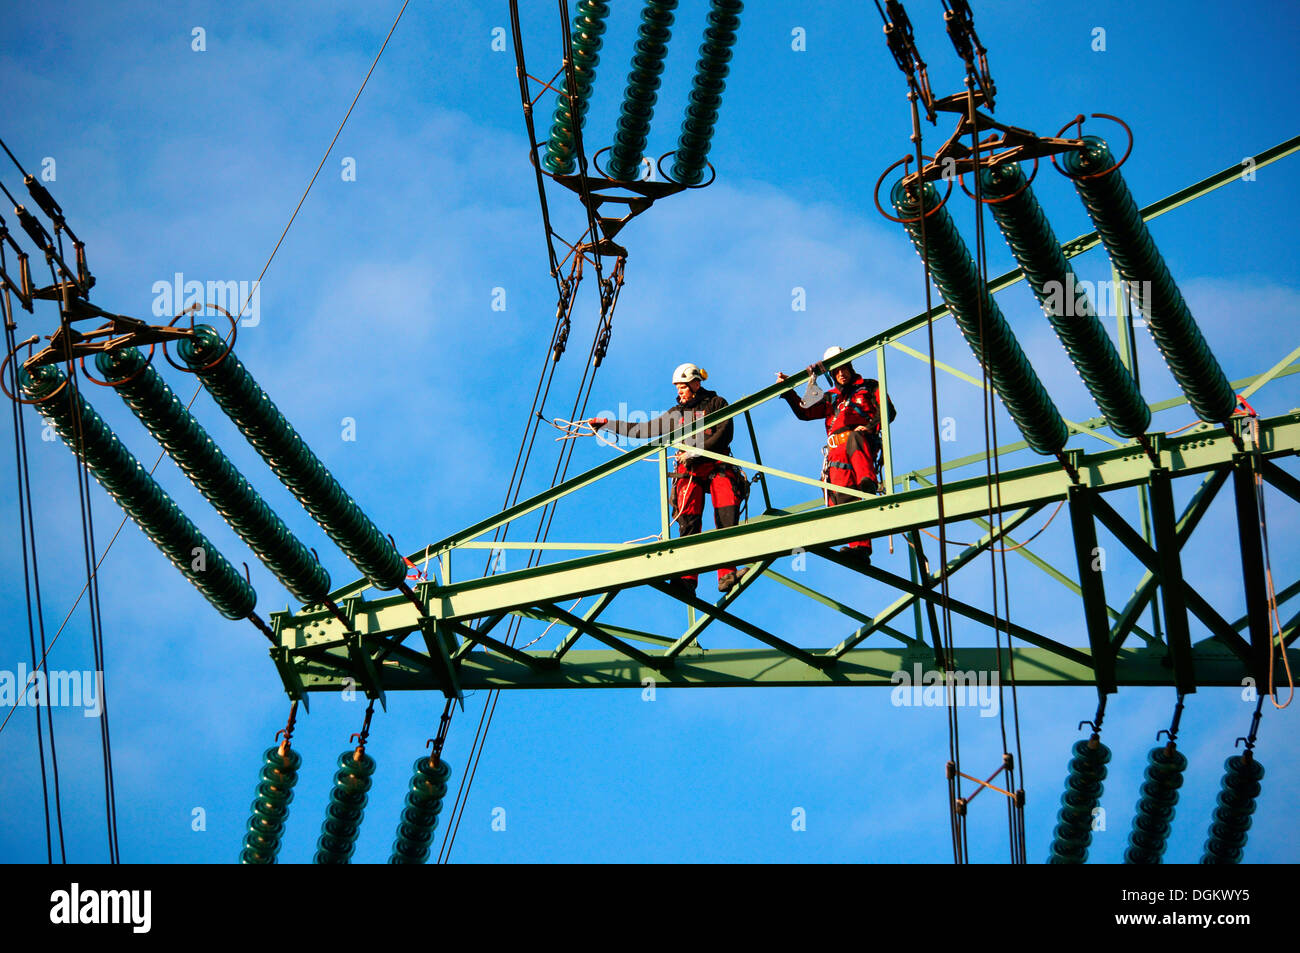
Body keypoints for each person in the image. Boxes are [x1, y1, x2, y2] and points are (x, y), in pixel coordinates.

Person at [587, 363, 747, 593]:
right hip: (689, 472)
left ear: (695, 383)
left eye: (682, 386)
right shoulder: (676, 414)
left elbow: (725, 432)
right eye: (677, 387)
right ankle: (686, 580)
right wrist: (608, 424)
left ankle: (727, 574)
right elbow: (642, 429)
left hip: (716, 464)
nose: (679, 391)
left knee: (726, 510)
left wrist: (697, 451)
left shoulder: (716, 403)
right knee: (688, 520)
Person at [776, 346, 896, 561]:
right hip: (837, 451)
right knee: (844, 496)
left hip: (861, 440)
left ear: (850, 366)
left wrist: (870, 426)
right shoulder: (831, 397)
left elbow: (888, 410)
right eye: (836, 370)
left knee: (860, 469)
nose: (842, 373)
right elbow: (805, 411)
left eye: (844, 367)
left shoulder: (868, 386)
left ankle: (868, 481)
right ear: (831, 374)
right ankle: (860, 548)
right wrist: (788, 391)